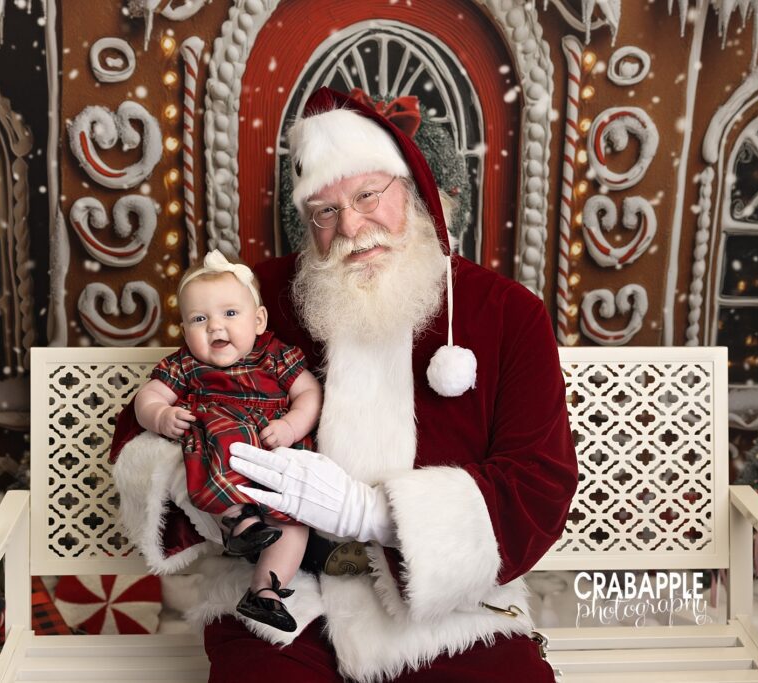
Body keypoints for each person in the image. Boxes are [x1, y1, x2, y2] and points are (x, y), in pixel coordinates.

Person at [109, 87, 578, 682]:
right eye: (324, 212)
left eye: (367, 196)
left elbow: (538, 481)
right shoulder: (258, 299)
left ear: (413, 190)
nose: (351, 226)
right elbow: (143, 430)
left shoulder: (506, 313)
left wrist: (369, 514)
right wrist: (221, 492)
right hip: (286, 597)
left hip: (444, 609)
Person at [133, 250, 322, 632]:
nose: (215, 327)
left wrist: (290, 426)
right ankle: (237, 522)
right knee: (221, 434)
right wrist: (162, 415)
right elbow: (146, 398)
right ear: (185, 331)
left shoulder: (276, 355)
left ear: (259, 320)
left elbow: (310, 394)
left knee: (294, 521)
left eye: (230, 314)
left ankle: (265, 593)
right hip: (222, 443)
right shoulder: (186, 365)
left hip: (276, 450)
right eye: (199, 319)